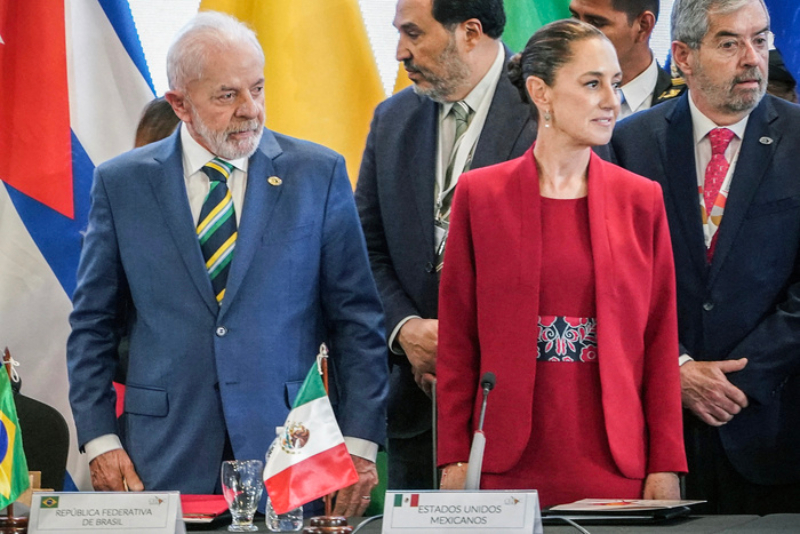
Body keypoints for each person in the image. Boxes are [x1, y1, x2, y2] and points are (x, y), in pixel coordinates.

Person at [67, 11, 387, 517]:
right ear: (180, 104)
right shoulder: (122, 184)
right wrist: (100, 439)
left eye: (257, 89)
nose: (250, 110)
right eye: (227, 95)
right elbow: (92, 325)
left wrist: (361, 442)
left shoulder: (317, 174)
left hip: (291, 448)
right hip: (162, 452)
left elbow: (358, 323)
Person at [436, 19, 686, 506]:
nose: (611, 100)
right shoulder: (479, 195)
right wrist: (454, 456)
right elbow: (458, 342)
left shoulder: (642, 200)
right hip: (503, 465)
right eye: (592, 84)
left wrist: (666, 464)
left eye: (614, 83)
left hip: (616, 465)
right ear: (541, 92)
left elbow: (660, 344)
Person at [612, 0, 800, 514]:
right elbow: (614, 280)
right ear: (683, 56)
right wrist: (675, 367)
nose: (752, 58)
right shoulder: (628, 144)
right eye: (729, 43)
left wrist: (734, 380)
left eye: (760, 40)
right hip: (656, 435)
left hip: (773, 428)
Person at [354, 0, 536, 490]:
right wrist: (406, 329)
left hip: (517, 409)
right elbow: (365, 247)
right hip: (418, 412)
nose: (400, 52)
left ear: (470, 32)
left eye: (413, 33)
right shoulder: (391, 119)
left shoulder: (544, 108)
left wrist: (465, 348)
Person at [570, 0, 686, 118]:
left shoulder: (685, 105)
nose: (576, 33)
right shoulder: (561, 93)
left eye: (596, 23)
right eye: (575, 17)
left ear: (643, 26)